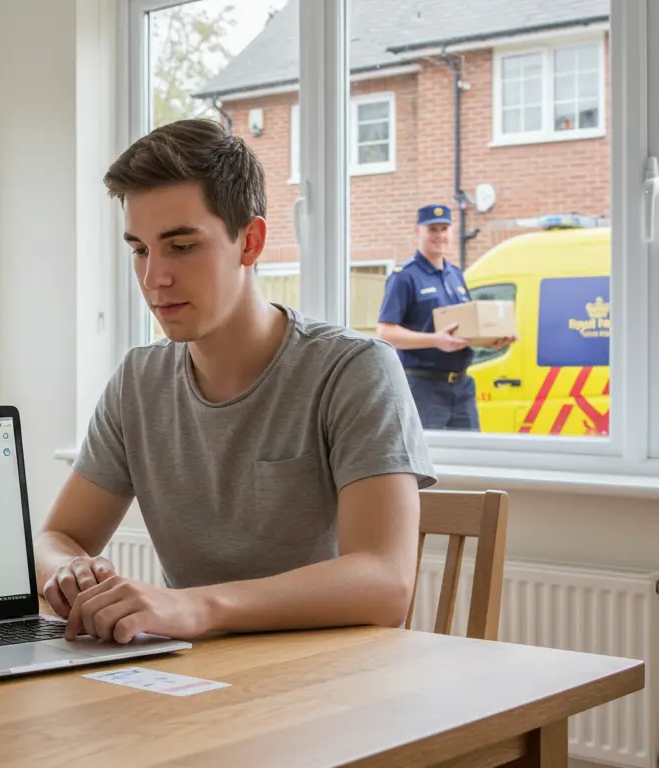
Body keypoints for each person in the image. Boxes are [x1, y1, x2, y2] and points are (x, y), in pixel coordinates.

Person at [34, 118, 436, 645]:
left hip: (334, 688)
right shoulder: (139, 380)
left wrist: (195, 607)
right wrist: (70, 570)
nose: (154, 278)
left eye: (181, 247)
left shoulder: (354, 369)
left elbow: (385, 584)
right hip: (200, 678)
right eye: (139, 250)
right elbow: (55, 536)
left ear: (250, 241)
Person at [375, 205, 515, 431]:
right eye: (432, 229)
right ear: (418, 231)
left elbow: (464, 328)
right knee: (431, 459)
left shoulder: (455, 275)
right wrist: (435, 340)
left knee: (469, 457)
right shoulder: (405, 277)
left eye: (444, 229)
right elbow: (386, 333)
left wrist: (490, 340)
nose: (439, 235)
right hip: (423, 387)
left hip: (462, 386)